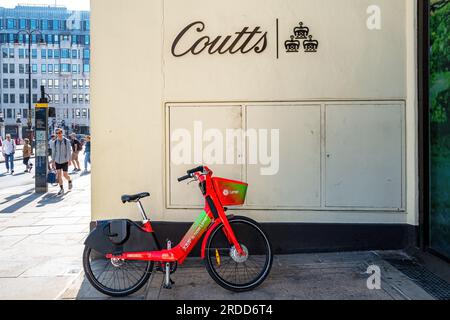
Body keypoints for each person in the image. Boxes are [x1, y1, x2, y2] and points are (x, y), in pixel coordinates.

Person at [51, 128, 73, 195]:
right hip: (57, 160)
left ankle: (69, 180)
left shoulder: (67, 141)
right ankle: (61, 189)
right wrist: (53, 161)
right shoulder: (54, 142)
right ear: (56, 134)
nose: (59, 134)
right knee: (59, 175)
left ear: (62, 133)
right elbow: (53, 152)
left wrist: (69, 160)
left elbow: (69, 151)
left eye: (60, 132)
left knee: (65, 175)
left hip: (65, 160)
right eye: (57, 133)